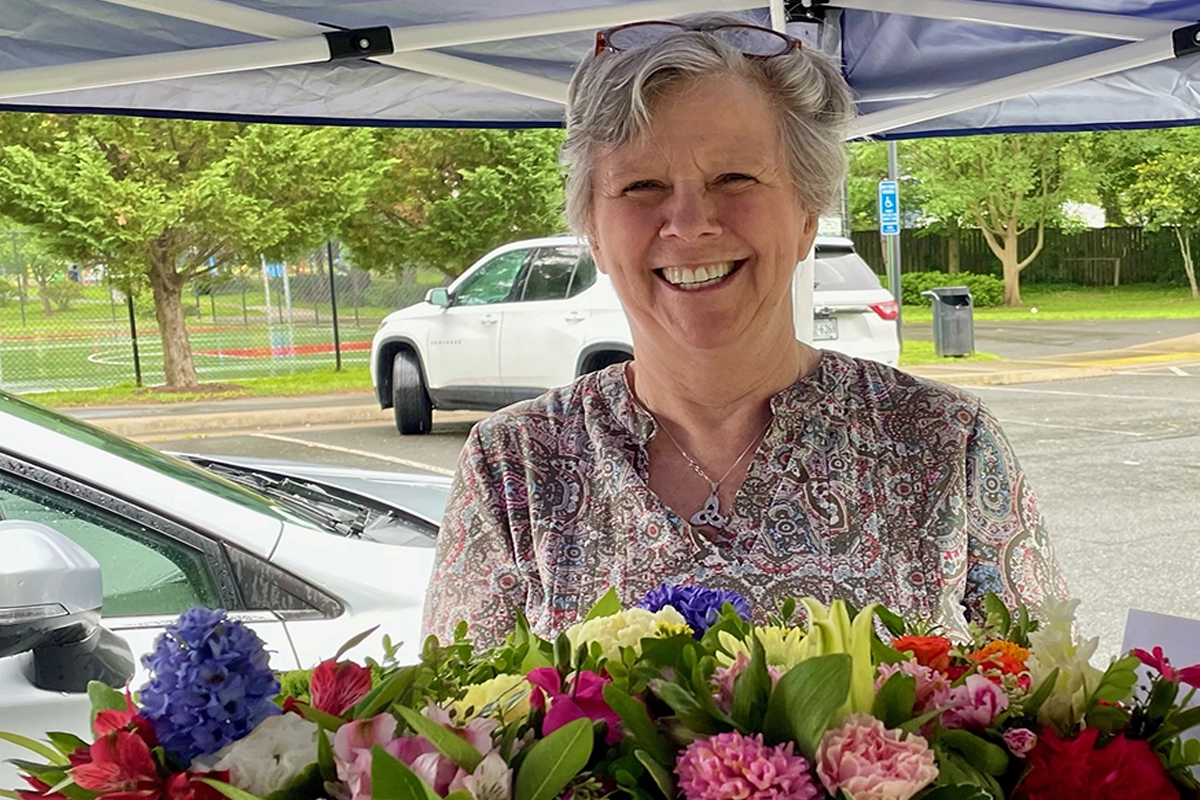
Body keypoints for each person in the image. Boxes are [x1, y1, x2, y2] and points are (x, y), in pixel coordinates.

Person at [422, 13, 1066, 650]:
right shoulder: (514, 465)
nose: (690, 222)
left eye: (734, 178)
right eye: (642, 185)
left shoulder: (943, 442)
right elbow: (455, 709)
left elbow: (1049, 694)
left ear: (807, 213)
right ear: (593, 229)